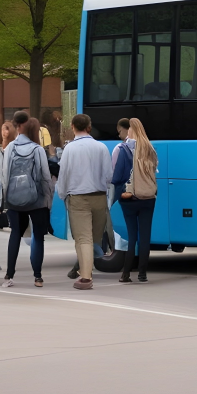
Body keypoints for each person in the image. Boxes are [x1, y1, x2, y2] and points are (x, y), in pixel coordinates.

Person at [57, 114, 112, 290]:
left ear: (72, 126)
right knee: (94, 238)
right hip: (99, 196)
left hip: (78, 197)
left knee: (83, 239)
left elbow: (63, 175)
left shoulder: (69, 149)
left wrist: (62, 194)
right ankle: (83, 269)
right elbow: (109, 176)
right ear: (89, 127)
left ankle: (86, 277)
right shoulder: (101, 147)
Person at [1, 112, 53, 288]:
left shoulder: (9, 149)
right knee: (38, 236)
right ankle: (37, 277)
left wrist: (5, 198)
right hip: (37, 199)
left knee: (15, 234)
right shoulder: (38, 149)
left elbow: (3, 176)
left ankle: (9, 275)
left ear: (16, 126)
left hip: (14, 198)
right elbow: (45, 177)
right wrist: (48, 200)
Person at [113, 117, 158, 283]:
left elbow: (117, 176)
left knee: (132, 236)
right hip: (148, 198)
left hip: (129, 199)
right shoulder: (150, 149)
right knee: (145, 236)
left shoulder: (124, 149)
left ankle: (126, 274)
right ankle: (142, 274)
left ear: (130, 130)